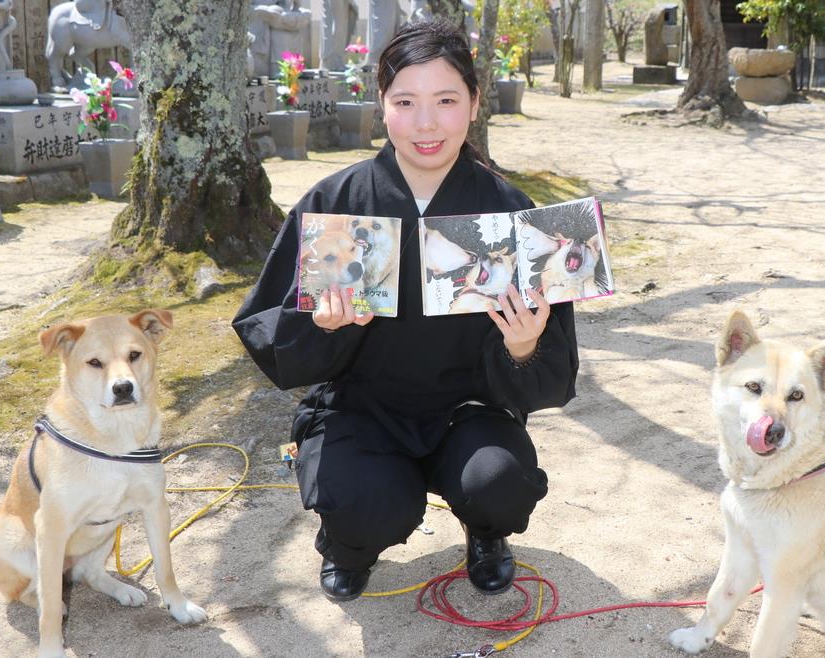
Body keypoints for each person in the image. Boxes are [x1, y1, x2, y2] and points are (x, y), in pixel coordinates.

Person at [232, 18, 578, 602]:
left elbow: (553, 362)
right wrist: (321, 324)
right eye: (405, 101)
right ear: (382, 107)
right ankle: (347, 545)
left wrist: (523, 346)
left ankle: (487, 532)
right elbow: (266, 325)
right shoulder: (336, 205)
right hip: (362, 407)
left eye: (446, 100)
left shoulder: (509, 213)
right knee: (362, 503)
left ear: (473, 103)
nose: (426, 122)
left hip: (469, 408)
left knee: (500, 483)